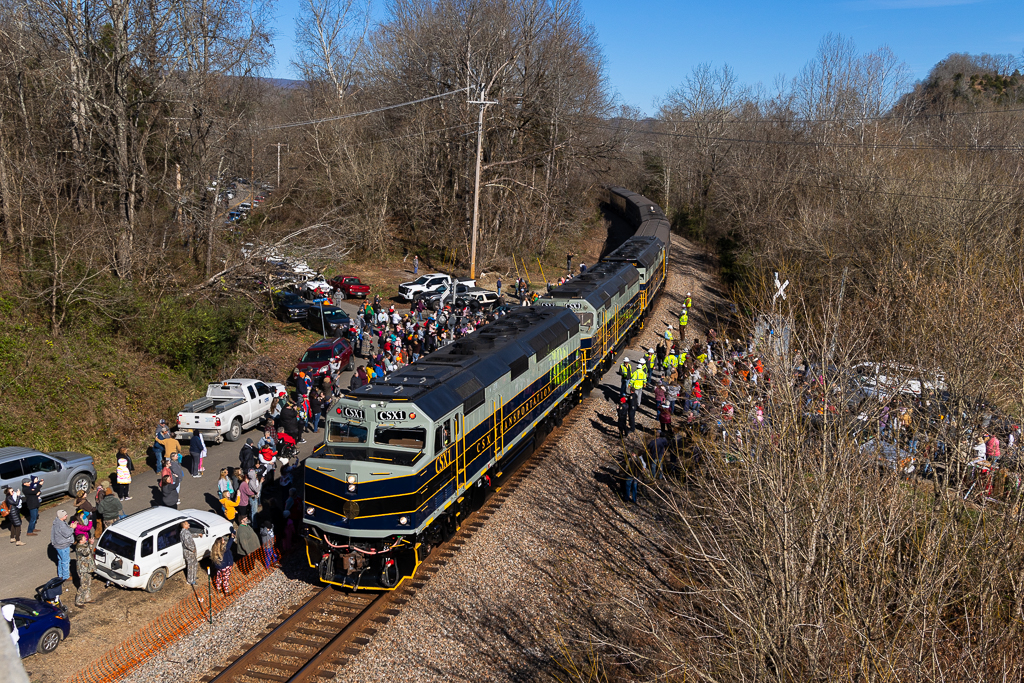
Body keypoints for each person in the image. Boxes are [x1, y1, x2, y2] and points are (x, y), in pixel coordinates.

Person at [51, 510, 74, 581]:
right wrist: (72, 528)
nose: (67, 515)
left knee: (60, 560)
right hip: (63, 545)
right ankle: (66, 576)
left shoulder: (57, 522)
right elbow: (67, 534)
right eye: (65, 515)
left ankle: (61, 574)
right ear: (61, 516)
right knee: (65, 561)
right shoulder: (61, 525)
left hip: (58, 545)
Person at [74, 534, 95, 606]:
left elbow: (89, 551)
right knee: (83, 585)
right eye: (84, 538)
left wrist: (90, 544)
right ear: (80, 541)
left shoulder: (85, 545)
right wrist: (91, 544)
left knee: (88, 583)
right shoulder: (79, 548)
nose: (86, 538)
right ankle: (79, 601)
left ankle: (87, 598)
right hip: (83, 569)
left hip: (88, 568)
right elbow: (86, 553)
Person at [180, 520, 200, 586]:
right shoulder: (184, 532)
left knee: (195, 564)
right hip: (189, 553)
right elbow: (186, 543)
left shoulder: (186, 531)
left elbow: (190, 536)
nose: (189, 524)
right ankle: (190, 581)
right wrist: (192, 549)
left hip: (191, 552)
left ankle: (193, 577)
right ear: (184, 525)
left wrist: (198, 535)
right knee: (191, 566)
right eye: (187, 523)